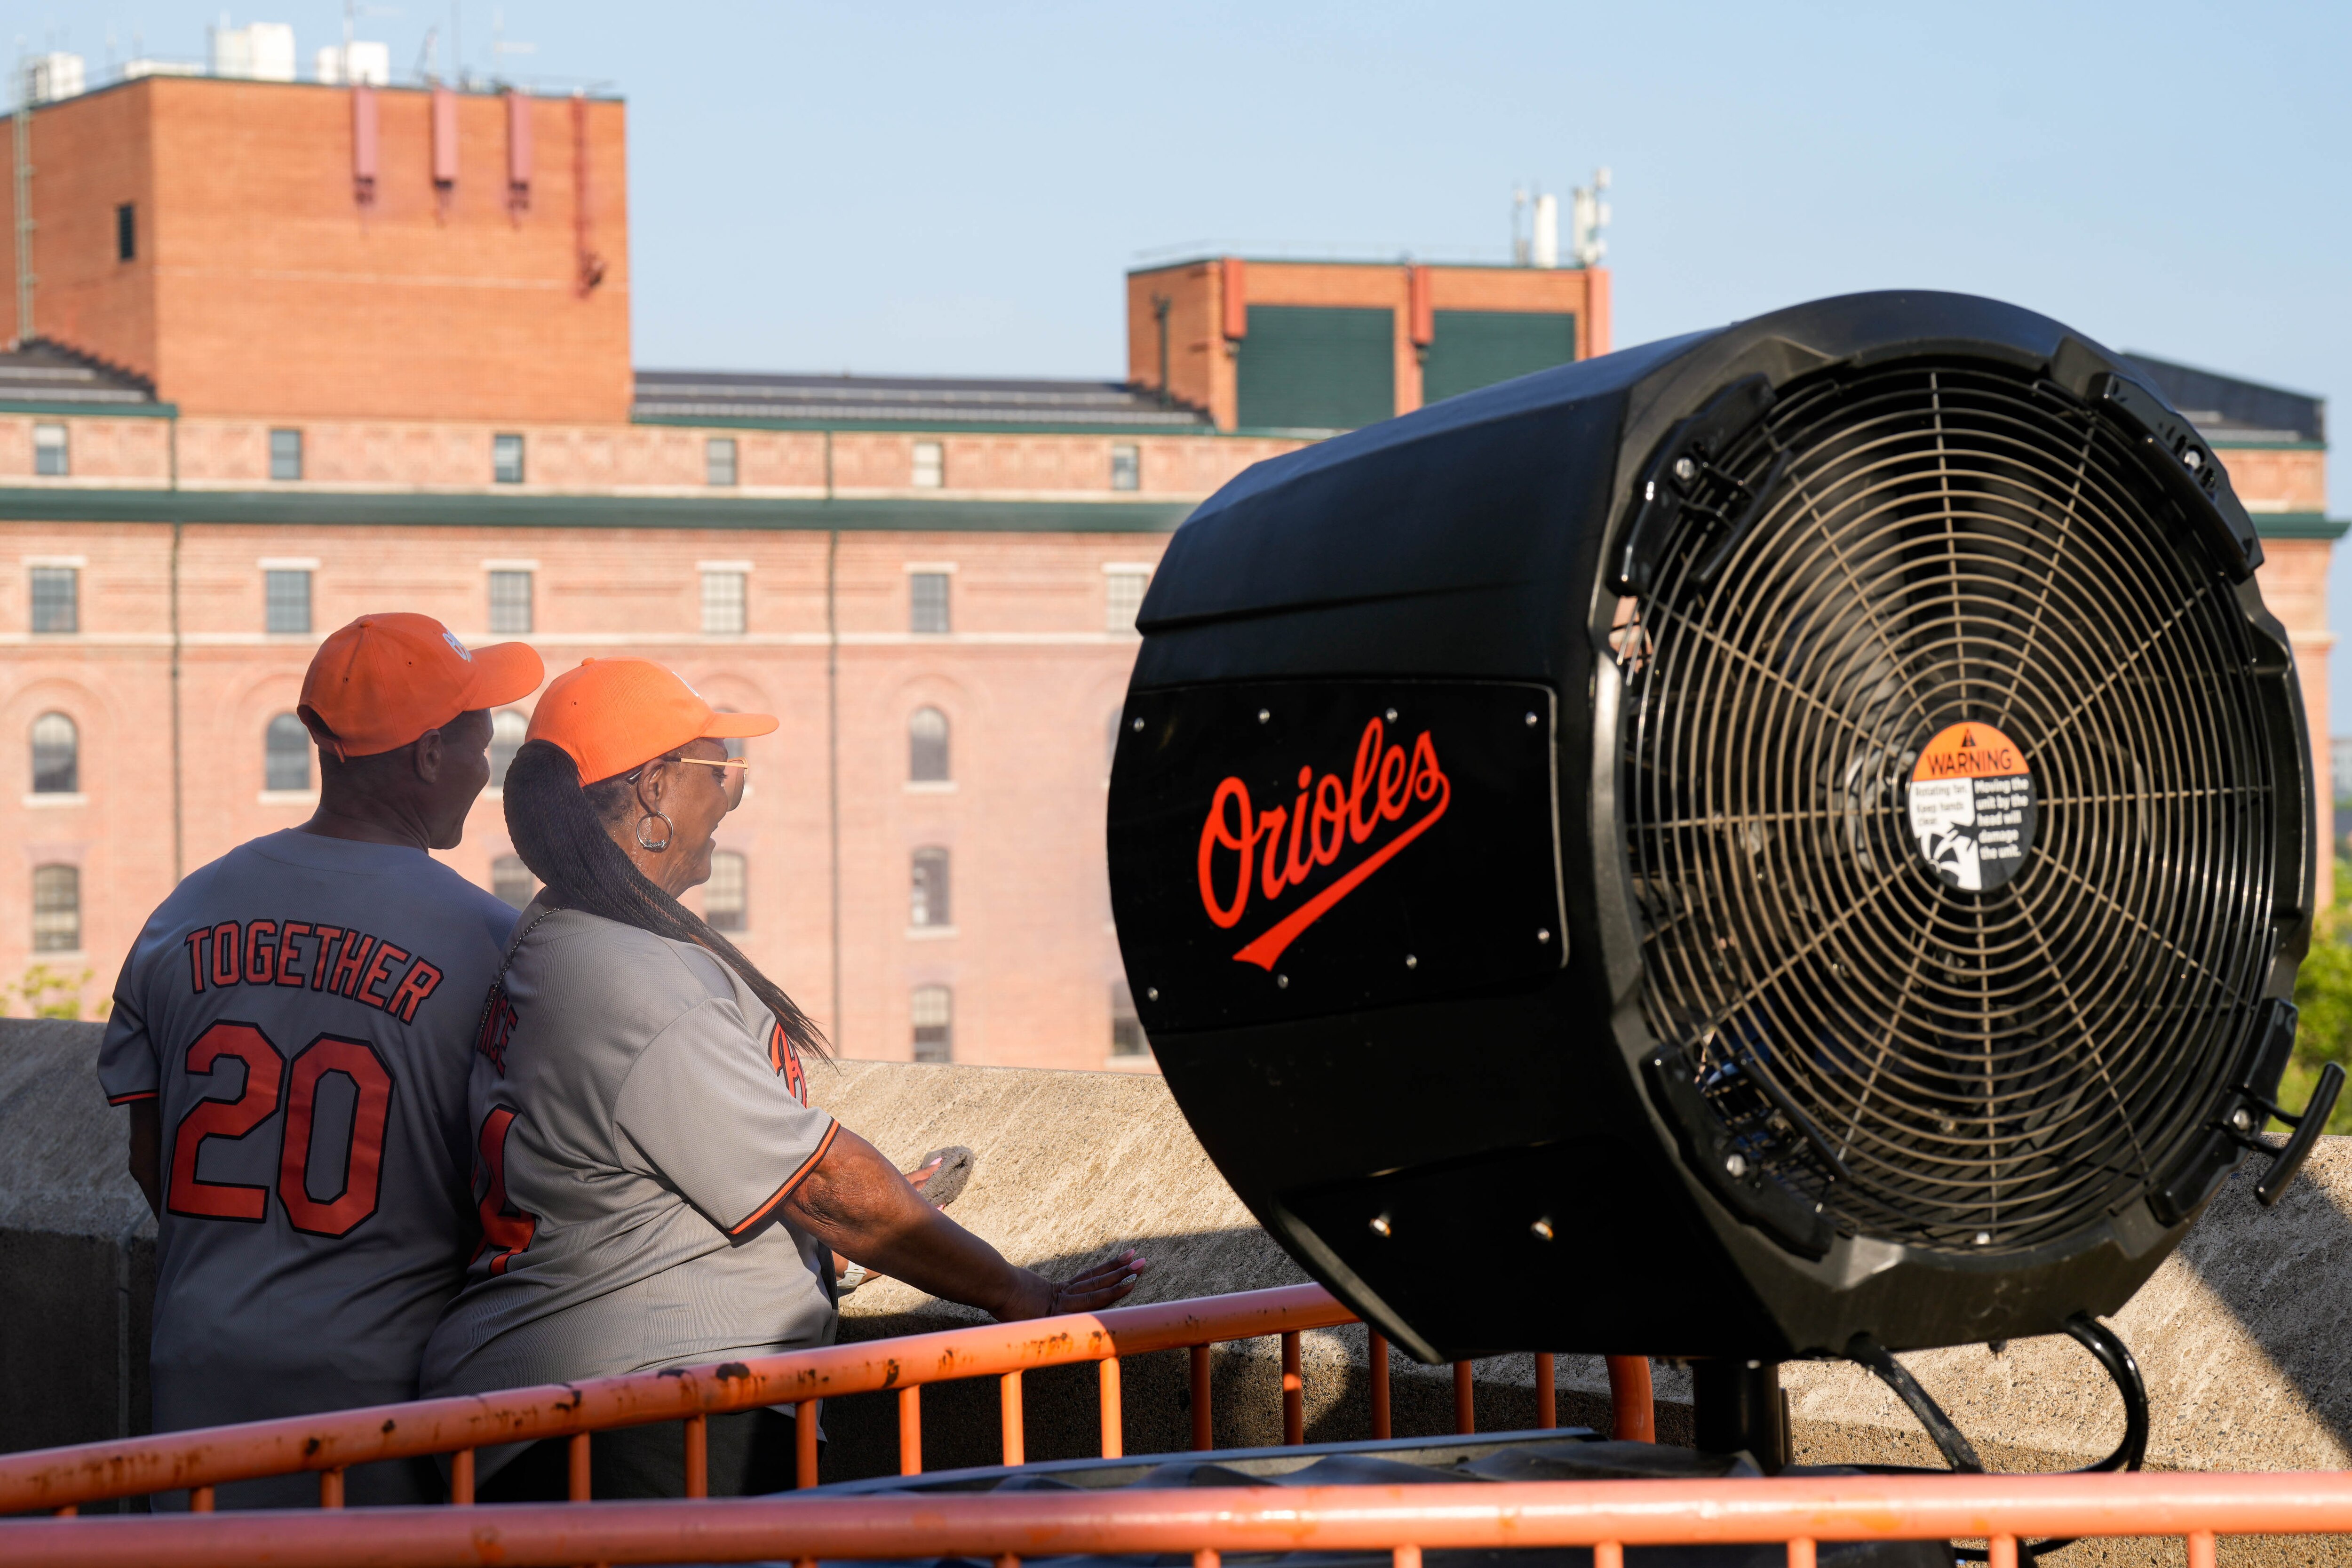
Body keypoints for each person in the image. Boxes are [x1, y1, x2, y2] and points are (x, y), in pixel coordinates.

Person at [420, 656, 1145, 1499]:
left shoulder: (562, 931)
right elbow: (828, 1184)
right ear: (654, 788)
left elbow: (641, 1183)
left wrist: (821, 1250)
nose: (735, 794)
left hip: (579, 1405)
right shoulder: (630, 976)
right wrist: (1024, 1292)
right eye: (721, 770)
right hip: (637, 1419)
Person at [99, 613, 544, 1507]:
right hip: (379, 1409)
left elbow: (151, 1157)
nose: (484, 769)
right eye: (478, 743)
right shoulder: (494, 942)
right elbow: (515, 1193)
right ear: (424, 757)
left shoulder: (182, 911)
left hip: (197, 1382)